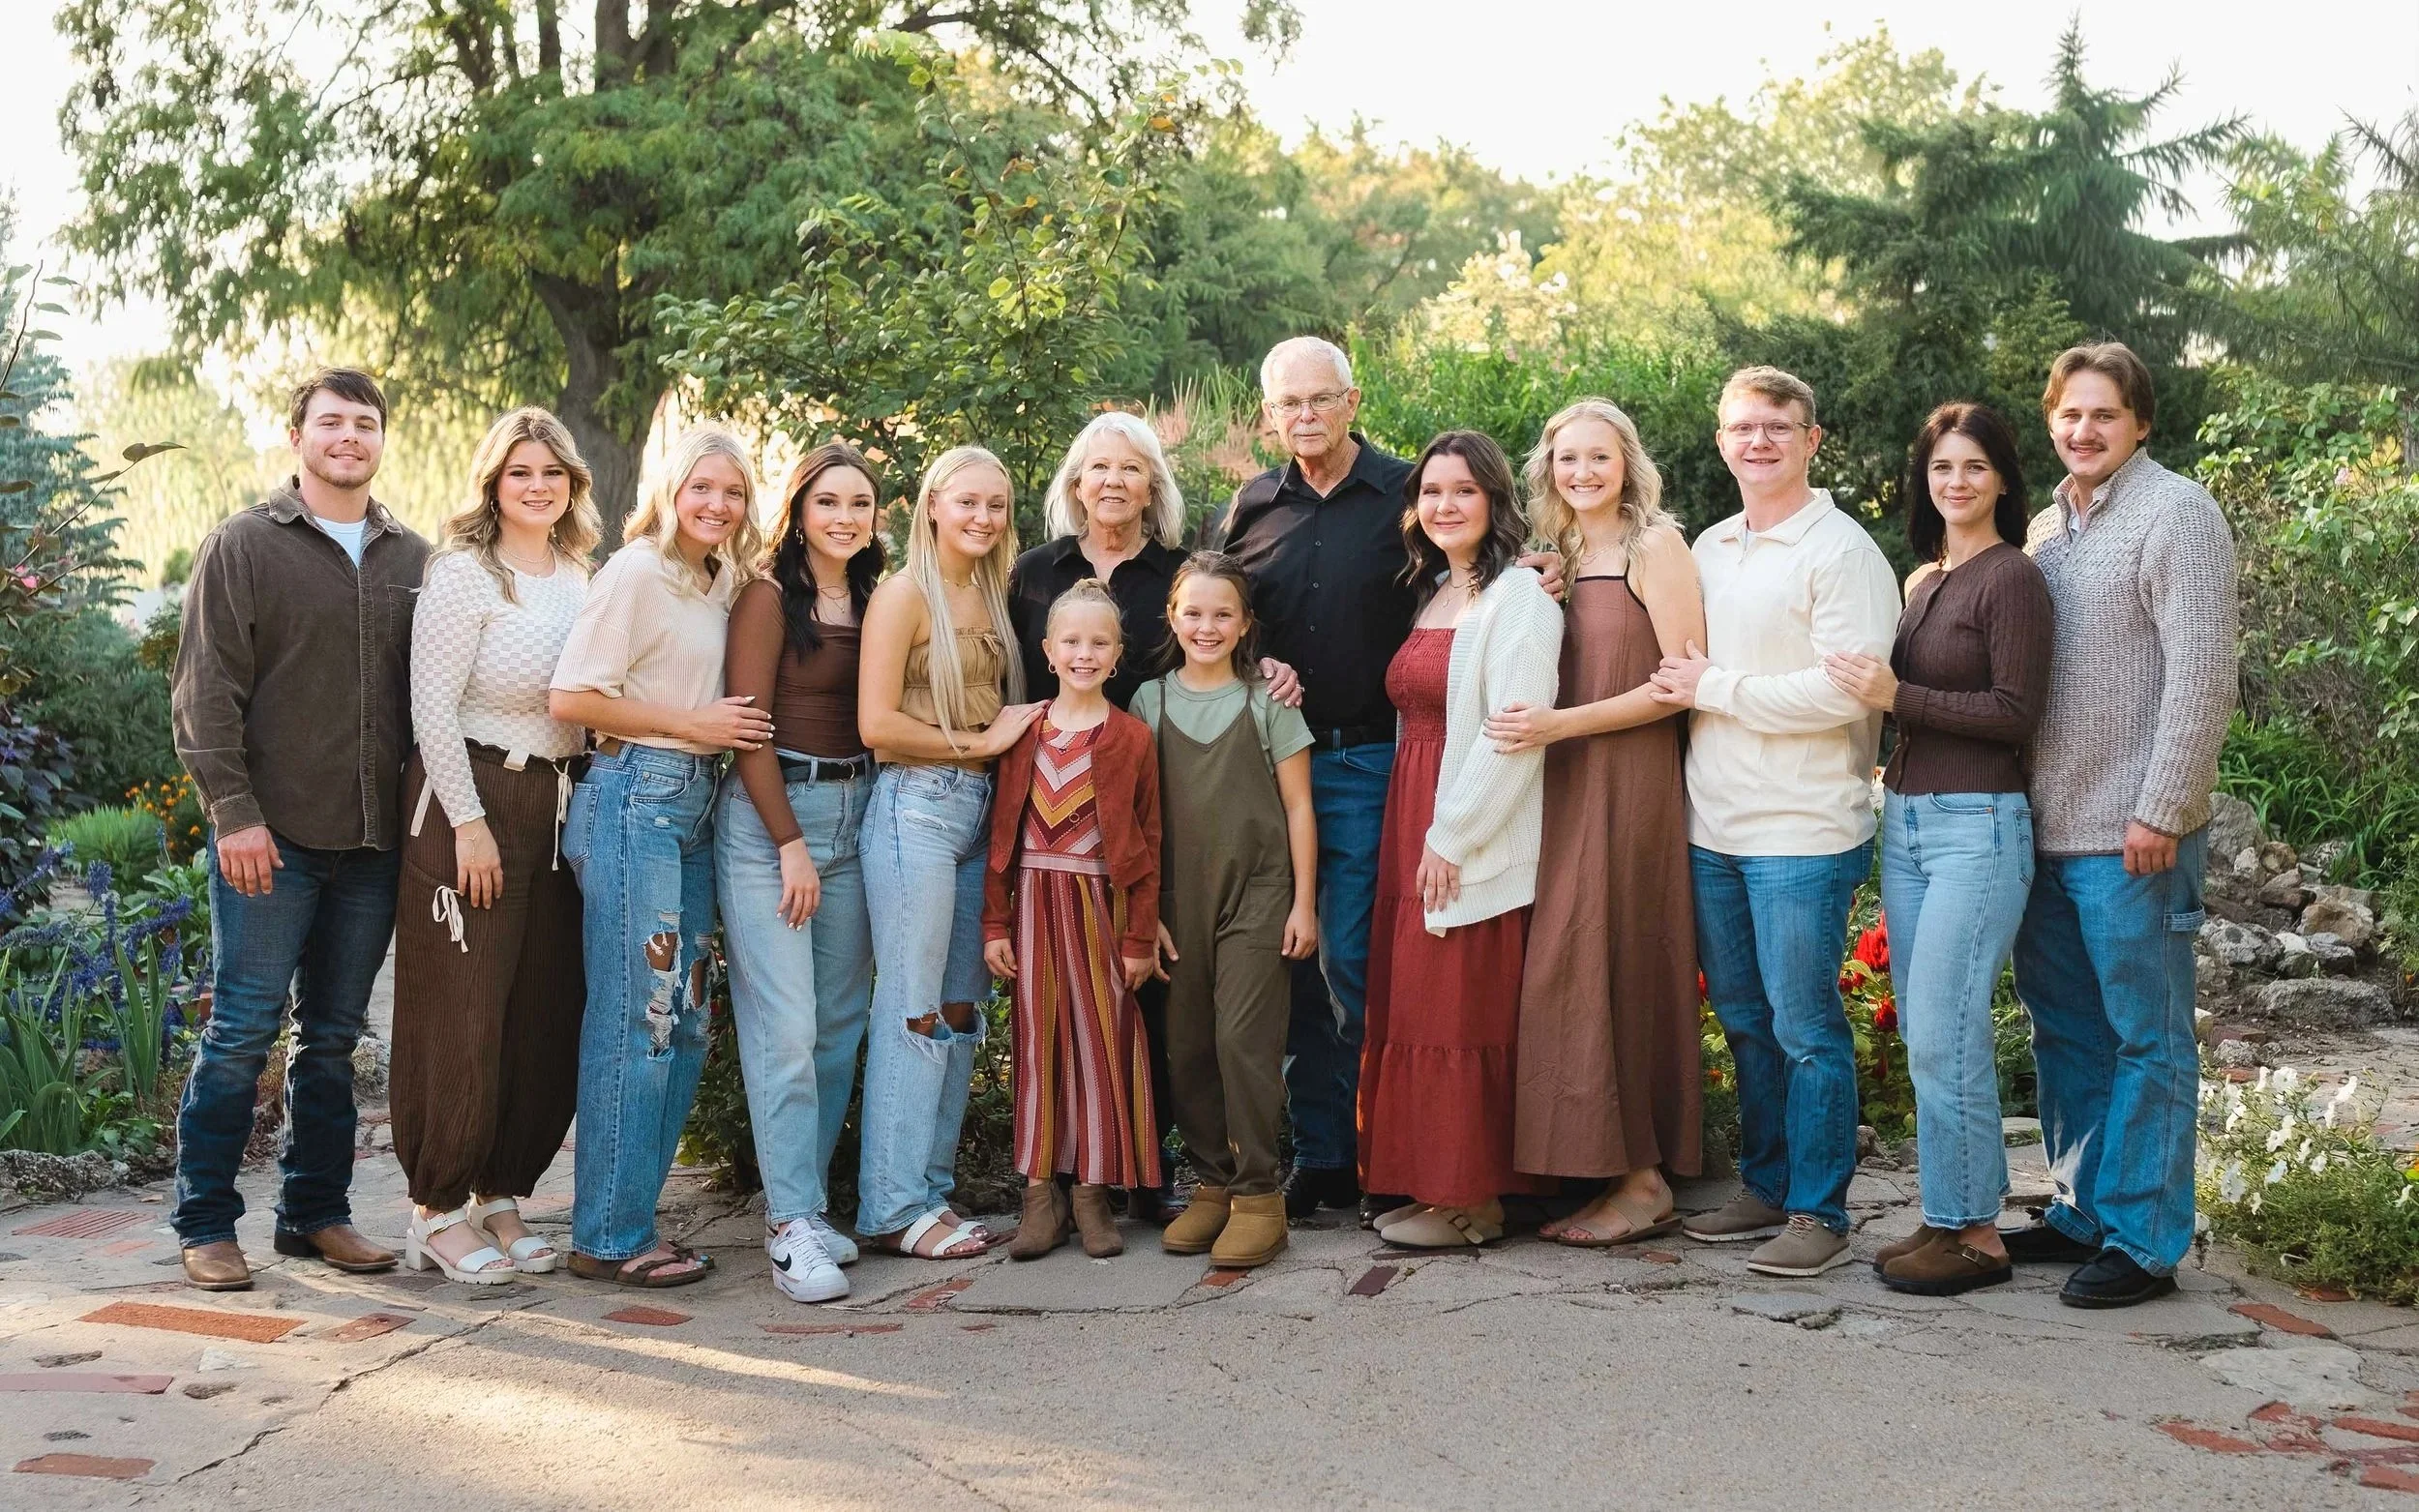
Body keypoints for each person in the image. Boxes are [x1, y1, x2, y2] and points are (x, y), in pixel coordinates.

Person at [169, 367, 428, 1290]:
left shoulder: (414, 560)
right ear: (299, 438)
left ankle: (314, 1214)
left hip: (369, 847)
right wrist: (233, 815)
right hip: (268, 842)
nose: (348, 436)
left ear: (379, 439)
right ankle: (205, 1223)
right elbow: (204, 692)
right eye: (331, 422)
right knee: (242, 1030)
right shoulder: (245, 545)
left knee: (332, 1037)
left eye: (365, 422)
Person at [1652, 367, 1899, 1279]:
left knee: (1804, 1023)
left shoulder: (1840, 551)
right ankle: (1764, 1183)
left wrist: (1716, 688)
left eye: (1776, 427)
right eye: (1741, 428)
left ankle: (1821, 1210)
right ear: (1720, 441)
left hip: (1802, 826)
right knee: (1747, 1018)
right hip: (1711, 821)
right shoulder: (1709, 546)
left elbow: (1847, 690)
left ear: (1812, 439)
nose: (1757, 442)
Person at [2007, 343, 2237, 1308]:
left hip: (2133, 833)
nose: (2084, 431)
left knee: (2146, 1040)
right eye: (2069, 414)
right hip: (2046, 833)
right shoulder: (2041, 531)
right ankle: (2082, 1210)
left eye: (2104, 414)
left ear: (2140, 421)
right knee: (2065, 1031)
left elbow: (2200, 675)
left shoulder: (2178, 513)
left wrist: (2164, 808)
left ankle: (2143, 1243)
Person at [1824, 402, 2053, 1296]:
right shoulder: (1927, 581)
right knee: (1926, 1028)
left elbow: (2013, 714)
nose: (1955, 483)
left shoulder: (2013, 579)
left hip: (1979, 826)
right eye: (1940, 468)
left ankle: (1978, 1238)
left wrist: (1895, 695)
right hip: (1911, 823)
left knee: (1949, 1028)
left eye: (1973, 467)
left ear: (2002, 477)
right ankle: (1950, 1213)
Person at [551, 426, 771, 1289]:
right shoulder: (636, 571)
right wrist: (694, 727)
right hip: (633, 795)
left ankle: (631, 1220)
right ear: (671, 489)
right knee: (635, 1016)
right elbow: (572, 698)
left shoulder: (724, 584)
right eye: (702, 488)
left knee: (683, 1022)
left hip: (697, 804)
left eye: (734, 492)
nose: (717, 505)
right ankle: (604, 1236)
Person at [1485, 399, 1706, 1246]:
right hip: (1560, 779)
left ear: (1628, 464)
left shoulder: (1657, 546)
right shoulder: (1561, 557)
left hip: (1629, 777)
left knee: (1618, 953)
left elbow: (1680, 682)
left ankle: (1644, 1178)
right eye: (1566, 458)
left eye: (1598, 458)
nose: (1582, 472)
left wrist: (1561, 727)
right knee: (1565, 961)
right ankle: (1591, 1161)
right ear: (1548, 467)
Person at [1207, 336, 1414, 1222]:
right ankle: (1325, 1157)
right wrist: (1260, 664)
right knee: (1289, 965)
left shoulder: (1407, 494)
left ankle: (1391, 1158)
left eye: (1320, 400)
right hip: (1270, 767)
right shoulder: (1249, 509)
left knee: (1356, 961)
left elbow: (1470, 582)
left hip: (1369, 759)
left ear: (1353, 400)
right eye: (1288, 405)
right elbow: (1213, 621)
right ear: (1267, 414)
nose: (1305, 417)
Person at [390, 406, 598, 1285]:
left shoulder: (583, 576)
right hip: (468, 796)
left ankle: (502, 1192)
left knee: (544, 1010)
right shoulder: (463, 575)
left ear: (572, 485)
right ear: (493, 485)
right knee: (463, 1009)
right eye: (521, 474)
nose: (538, 486)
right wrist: (469, 824)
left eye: (552, 473)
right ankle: (435, 1208)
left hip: (557, 801)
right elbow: (430, 705)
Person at [1359, 431, 1562, 1250]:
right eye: (1432, 491)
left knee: (1459, 1003)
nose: (1445, 505)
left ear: (1495, 500)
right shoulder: (1436, 589)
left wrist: (1453, 834)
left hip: (1463, 819)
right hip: (1410, 812)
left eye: (1464, 490)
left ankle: (1475, 1198)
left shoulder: (1520, 596)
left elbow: (1514, 731)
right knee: (1418, 1002)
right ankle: (1434, 1182)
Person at [855, 445, 1041, 1260]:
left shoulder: (992, 594)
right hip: (916, 810)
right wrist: (978, 741)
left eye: (996, 505)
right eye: (967, 501)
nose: (982, 517)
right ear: (932, 504)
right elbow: (876, 726)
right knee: (913, 1006)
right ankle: (890, 1207)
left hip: (980, 815)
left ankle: (928, 1191)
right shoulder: (903, 595)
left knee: (962, 1011)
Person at [714, 442, 886, 1305]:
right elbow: (746, 729)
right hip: (771, 821)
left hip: (859, 812)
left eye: (860, 503)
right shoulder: (766, 596)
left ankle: (805, 1206)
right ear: (800, 510)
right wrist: (786, 841)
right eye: (829, 502)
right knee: (784, 1030)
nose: (845, 517)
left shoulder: (878, 596)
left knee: (838, 1026)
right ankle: (789, 1230)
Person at [1131, 553, 1319, 1269]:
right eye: (1194, 612)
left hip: (1259, 893)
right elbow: (1135, 816)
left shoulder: (1267, 699)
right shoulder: (1149, 701)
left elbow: (1300, 805)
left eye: (1223, 614)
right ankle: (1210, 1182)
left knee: (1245, 1041)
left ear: (1245, 625)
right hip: (1179, 897)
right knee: (1187, 1046)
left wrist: (1303, 902)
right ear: (1173, 617)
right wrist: (1144, 910)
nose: (1207, 626)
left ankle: (1260, 1194)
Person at [982, 581, 1165, 1260]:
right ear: (1048, 651)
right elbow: (1001, 835)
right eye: (1072, 641)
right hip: (1032, 902)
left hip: (1098, 907)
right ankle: (1040, 1192)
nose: (1084, 653)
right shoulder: (1022, 729)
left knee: (1099, 1041)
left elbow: (1150, 842)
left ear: (1117, 656)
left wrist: (1140, 934)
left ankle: (1092, 1189)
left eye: (1099, 642)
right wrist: (994, 923)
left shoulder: (1131, 738)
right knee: (1037, 1043)